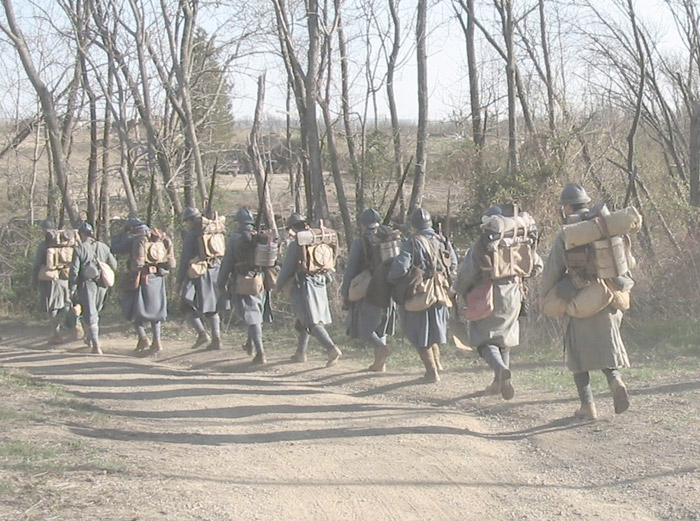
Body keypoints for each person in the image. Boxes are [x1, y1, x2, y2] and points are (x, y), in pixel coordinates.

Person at [541, 183, 632, 420]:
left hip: (580, 298)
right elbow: (628, 262)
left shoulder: (568, 232)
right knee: (606, 347)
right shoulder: (606, 227)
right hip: (610, 295)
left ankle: (587, 406)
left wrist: (547, 294)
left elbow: (553, 268)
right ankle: (615, 380)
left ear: (567, 207)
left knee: (578, 356)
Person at [451, 204, 543, 399]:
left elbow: (467, 274)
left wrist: (457, 290)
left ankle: (500, 369)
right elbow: (538, 266)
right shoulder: (519, 240)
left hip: (490, 295)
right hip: (515, 293)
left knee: (484, 340)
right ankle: (500, 381)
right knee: (504, 339)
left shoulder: (482, 244)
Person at [388, 208, 457, 382]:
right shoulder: (442, 240)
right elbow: (453, 263)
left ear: (414, 225)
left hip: (421, 293)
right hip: (441, 291)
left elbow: (401, 267)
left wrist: (392, 278)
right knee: (433, 331)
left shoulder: (412, 242)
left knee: (418, 332)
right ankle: (437, 364)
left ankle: (431, 372)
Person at [271, 213, 342, 366]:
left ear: (293, 228)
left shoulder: (296, 242)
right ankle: (300, 353)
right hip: (320, 281)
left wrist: (277, 287)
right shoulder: (317, 238)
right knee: (304, 318)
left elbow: (287, 269)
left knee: (311, 321)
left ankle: (331, 348)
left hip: (304, 285)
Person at [340, 208, 396, 372]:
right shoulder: (388, 240)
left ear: (362, 224)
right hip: (388, 287)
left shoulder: (360, 242)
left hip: (368, 289)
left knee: (364, 328)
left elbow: (351, 269)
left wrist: (345, 292)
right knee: (381, 326)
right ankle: (380, 363)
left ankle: (381, 349)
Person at [112, 219, 174, 354]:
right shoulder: (159, 238)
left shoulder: (134, 238)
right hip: (158, 278)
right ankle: (157, 341)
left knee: (133, 308)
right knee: (156, 311)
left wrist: (121, 233)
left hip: (140, 279)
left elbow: (115, 247)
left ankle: (143, 337)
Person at [218, 208, 268, 365]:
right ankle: (250, 344)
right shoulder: (259, 237)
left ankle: (260, 352)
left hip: (242, 280)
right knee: (254, 313)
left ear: (239, 223)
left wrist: (221, 283)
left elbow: (227, 262)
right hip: (260, 280)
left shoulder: (235, 238)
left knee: (251, 316)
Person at [176, 207, 224, 350]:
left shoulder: (192, 235)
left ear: (190, 220)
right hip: (215, 270)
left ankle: (202, 334)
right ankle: (216, 338)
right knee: (212, 307)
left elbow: (185, 260)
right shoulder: (212, 232)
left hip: (197, 273)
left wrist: (179, 281)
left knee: (185, 305)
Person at [69, 222, 117, 355]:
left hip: (87, 283)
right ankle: (91, 338)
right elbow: (114, 264)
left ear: (81, 234)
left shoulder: (79, 249)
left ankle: (96, 345)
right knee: (95, 310)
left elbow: (74, 271)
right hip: (102, 282)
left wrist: (72, 287)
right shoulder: (104, 247)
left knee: (91, 313)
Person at [32, 219, 82, 344]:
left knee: (53, 307)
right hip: (66, 276)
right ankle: (77, 326)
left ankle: (56, 335)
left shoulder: (44, 245)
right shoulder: (68, 243)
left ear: (44, 229)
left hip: (51, 278)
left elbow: (37, 264)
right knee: (68, 303)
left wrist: (34, 281)